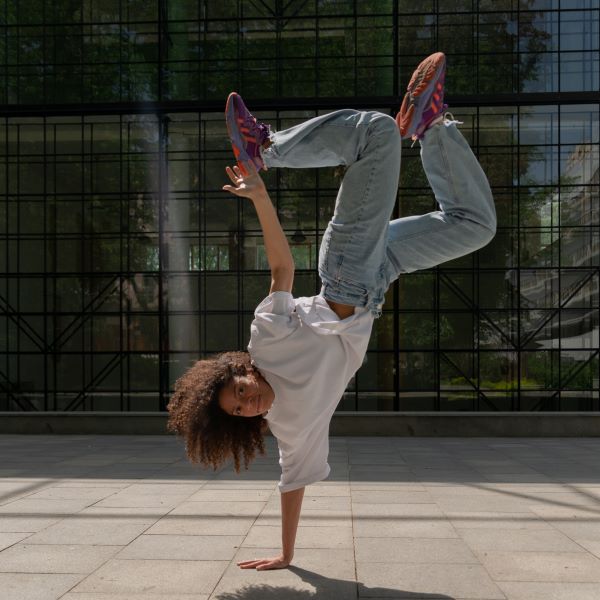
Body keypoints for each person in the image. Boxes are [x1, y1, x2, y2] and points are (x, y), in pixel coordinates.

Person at [166, 52, 497, 570]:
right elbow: (292, 483)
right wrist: (287, 554)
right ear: (242, 424)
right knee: (475, 224)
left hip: (345, 267)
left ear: (241, 371)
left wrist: (259, 195)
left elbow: (281, 269)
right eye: (240, 409)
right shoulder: (292, 426)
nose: (248, 401)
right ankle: (433, 125)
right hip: (379, 276)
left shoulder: (266, 340)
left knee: (376, 133)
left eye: (240, 390)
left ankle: (265, 147)